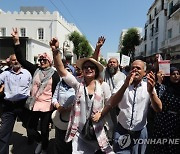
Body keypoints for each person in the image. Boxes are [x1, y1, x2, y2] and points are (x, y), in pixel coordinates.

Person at [50, 37, 114, 154]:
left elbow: (110, 103)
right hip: (79, 132)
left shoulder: (103, 85)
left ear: (96, 70)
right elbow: (61, 70)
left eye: (91, 67)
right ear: (82, 70)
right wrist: (55, 51)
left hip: (97, 131)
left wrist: (101, 113)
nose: (88, 69)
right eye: (85, 67)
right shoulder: (77, 84)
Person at [11, 28, 60, 154]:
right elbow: (21, 59)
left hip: (47, 106)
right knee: (29, 127)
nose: (42, 62)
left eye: (44, 60)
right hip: (34, 104)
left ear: (49, 62)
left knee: (44, 130)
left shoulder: (55, 75)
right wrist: (16, 41)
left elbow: (56, 92)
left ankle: (44, 148)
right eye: (40, 60)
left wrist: (55, 108)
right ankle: (41, 142)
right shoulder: (35, 70)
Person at [100, 60, 162, 154]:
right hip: (122, 131)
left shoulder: (148, 86)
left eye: (138, 68)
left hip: (140, 132)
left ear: (144, 73)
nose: (135, 70)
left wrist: (151, 92)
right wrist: (125, 85)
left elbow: (158, 108)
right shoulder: (122, 84)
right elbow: (112, 103)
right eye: (133, 68)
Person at [93, 36, 126, 137]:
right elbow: (94, 62)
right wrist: (98, 48)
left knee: (116, 127)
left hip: (117, 107)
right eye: (110, 62)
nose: (111, 64)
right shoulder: (103, 72)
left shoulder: (123, 76)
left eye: (114, 62)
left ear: (118, 64)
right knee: (104, 128)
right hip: (103, 105)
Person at [0, 54, 32, 154]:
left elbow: (31, 87)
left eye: (18, 59)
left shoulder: (27, 73)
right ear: (10, 62)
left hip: (23, 105)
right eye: (13, 60)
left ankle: (32, 140)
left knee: (30, 127)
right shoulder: (5, 74)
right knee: (3, 133)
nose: (16, 62)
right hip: (8, 106)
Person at [152, 67, 180, 154]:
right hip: (163, 121)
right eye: (173, 74)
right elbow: (155, 96)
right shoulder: (164, 88)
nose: (176, 76)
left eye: (178, 74)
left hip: (176, 123)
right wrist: (159, 80)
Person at [52, 64, 76, 154]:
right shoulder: (60, 83)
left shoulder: (77, 85)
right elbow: (54, 98)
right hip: (60, 117)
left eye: (69, 71)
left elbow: (80, 100)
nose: (66, 74)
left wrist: (70, 108)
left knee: (71, 142)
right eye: (65, 71)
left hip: (73, 118)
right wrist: (58, 106)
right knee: (60, 141)